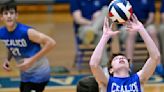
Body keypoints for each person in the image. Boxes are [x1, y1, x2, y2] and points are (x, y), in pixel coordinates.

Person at [89, 15, 160, 91]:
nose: (121, 58)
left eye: (124, 58)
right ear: (111, 70)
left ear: (129, 68)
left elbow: (155, 57)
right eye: (116, 59)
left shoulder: (139, 79)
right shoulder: (107, 81)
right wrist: (105, 37)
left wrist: (141, 29)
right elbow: (93, 64)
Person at [0, 2, 56, 92]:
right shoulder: (2, 33)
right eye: (6, 13)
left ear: (16, 15)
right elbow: (12, 45)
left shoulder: (27, 32)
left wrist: (31, 60)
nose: (9, 16)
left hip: (40, 72)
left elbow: (51, 43)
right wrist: (8, 59)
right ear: (1, 17)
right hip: (25, 75)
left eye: (12, 13)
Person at [70, 0, 110, 70]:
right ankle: (104, 67)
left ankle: (93, 31)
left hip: (99, 28)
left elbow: (108, 18)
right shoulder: (75, 1)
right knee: (100, 35)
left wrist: (99, 15)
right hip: (84, 28)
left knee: (106, 9)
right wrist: (92, 23)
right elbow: (78, 19)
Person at [122, 0, 160, 72]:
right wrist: (131, 25)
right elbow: (122, 16)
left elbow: (151, 16)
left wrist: (142, 27)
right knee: (131, 33)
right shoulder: (126, 1)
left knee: (152, 31)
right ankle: (130, 65)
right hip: (130, 24)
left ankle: (158, 65)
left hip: (145, 24)